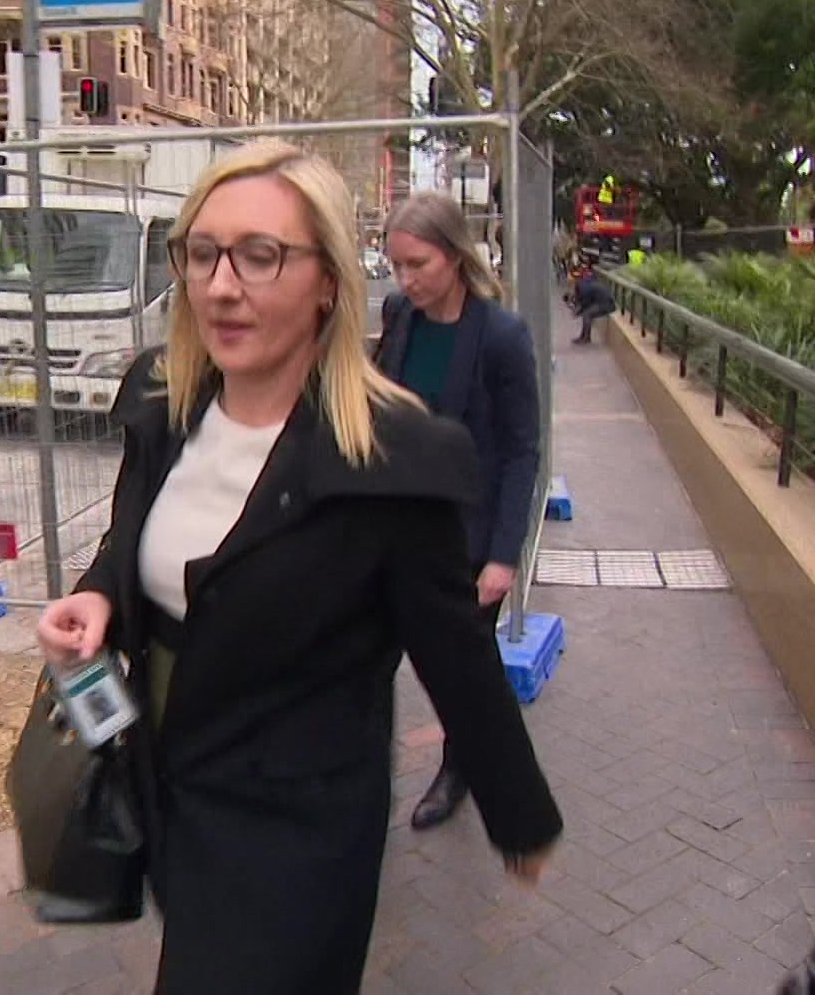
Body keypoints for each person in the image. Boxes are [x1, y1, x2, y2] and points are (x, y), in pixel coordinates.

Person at [36, 142, 561, 993]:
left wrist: (519, 813)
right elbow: (136, 541)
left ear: (329, 282)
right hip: (173, 798)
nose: (220, 285)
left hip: (298, 836)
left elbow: (454, 655)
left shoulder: (394, 457)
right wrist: (99, 597)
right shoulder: (164, 405)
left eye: (260, 255)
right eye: (201, 253)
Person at [376, 191, 543, 831]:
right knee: (370, 655)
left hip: (466, 541)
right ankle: (363, 771)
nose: (405, 279)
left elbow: (522, 451)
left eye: (417, 264)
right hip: (392, 528)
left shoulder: (500, 336)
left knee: (459, 669)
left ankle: (458, 769)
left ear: (452, 256)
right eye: (397, 265)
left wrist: (503, 557)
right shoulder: (398, 316)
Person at [569, 270, 616, 345]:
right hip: (603, 303)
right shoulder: (585, 285)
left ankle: (586, 338)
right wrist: (578, 311)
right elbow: (585, 303)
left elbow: (585, 304)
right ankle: (583, 336)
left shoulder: (585, 289)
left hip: (606, 305)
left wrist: (577, 312)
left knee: (587, 314)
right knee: (586, 313)